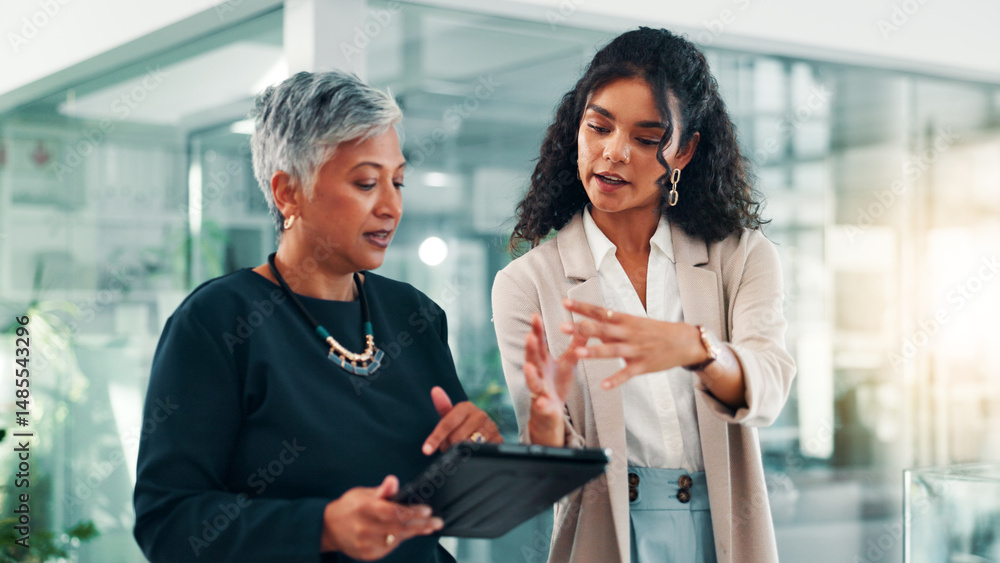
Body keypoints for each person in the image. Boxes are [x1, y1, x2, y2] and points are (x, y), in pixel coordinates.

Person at [133, 70, 502, 563]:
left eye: (398, 181)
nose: (391, 206)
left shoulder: (415, 315)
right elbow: (169, 524)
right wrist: (322, 527)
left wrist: (480, 453)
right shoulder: (218, 322)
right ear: (288, 193)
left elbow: (443, 501)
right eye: (367, 182)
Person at [492, 27, 796, 563]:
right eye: (598, 127)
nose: (614, 153)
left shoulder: (741, 256)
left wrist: (700, 350)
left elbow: (769, 385)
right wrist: (542, 425)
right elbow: (549, 465)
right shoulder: (526, 284)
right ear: (576, 129)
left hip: (724, 527)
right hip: (604, 533)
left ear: (685, 151)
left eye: (646, 138)